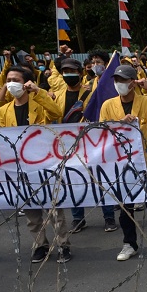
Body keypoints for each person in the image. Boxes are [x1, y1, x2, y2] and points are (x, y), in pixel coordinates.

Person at [0, 66, 69, 263]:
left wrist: (38, 92)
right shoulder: (4, 110)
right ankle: (40, 245)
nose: (11, 83)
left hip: (43, 161)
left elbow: (56, 112)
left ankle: (63, 244)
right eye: (8, 79)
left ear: (26, 83)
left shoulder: (40, 103)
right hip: (19, 165)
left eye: (16, 80)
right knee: (31, 211)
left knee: (54, 208)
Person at [99, 64, 147, 262]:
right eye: (117, 80)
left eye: (123, 80)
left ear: (132, 83)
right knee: (125, 205)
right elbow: (103, 131)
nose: (119, 84)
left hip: (146, 160)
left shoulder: (146, 101)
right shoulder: (108, 105)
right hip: (121, 162)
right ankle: (129, 243)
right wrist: (120, 123)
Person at [53, 57, 118, 234]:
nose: (69, 75)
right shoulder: (57, 96)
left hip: (91, 142)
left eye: (72, 71)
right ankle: (78, 218)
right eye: (65, 71)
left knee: (100, 178)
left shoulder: (92, 94)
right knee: (72, 180)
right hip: (66, 144)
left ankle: (109, 216)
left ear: (81, 73)